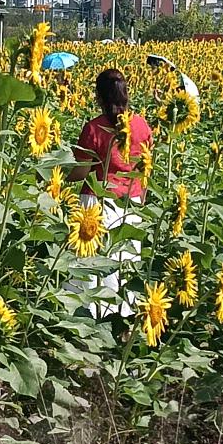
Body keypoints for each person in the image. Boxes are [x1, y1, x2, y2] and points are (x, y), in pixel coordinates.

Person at [69, 68, 153, 318]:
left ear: (99, 97)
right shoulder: (141, 125)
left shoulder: (95, 128)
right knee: (125, 262)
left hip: (97, 202)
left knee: (91, 263)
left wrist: (59, 175)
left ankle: (93, 317)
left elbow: (82, 171)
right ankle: (123, 316)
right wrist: (142, 195)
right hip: (131, 201)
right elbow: (145, 167)